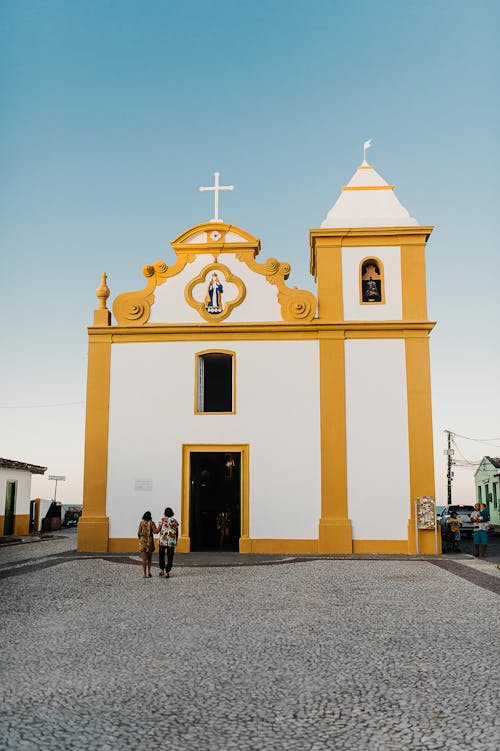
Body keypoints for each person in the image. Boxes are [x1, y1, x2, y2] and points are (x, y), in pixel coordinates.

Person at [157, 507, 179, 578]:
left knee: (161, 556)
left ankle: (162, 570)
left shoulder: (162, 520)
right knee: (170, 557)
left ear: (165, 513)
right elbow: (177, 532)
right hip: (171, 541)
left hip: (162, 541)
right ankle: (167, 572)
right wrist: (176, 540)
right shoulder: (175, 521)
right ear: (172, 513)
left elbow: (158, 530)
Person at [138, 511, 158, 578]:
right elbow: (155, 532)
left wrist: (142, 536)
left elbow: (138, 533)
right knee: (149, 558)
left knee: (144, 559)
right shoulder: (152, 523)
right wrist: (160, 528)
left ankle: (144, 574)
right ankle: (149, 572)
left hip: (143, 542)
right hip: (150, 543)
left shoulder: (141, 523)